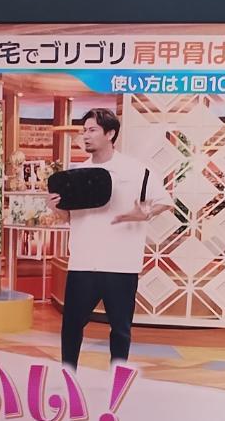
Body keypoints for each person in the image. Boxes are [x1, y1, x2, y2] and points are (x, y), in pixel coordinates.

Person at [48, 108, 173, 369]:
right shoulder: (76, 174)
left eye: (92, 130)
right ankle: (68, 374)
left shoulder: (137, 170)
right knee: (71, 326)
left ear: (110, 134)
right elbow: (69, 218)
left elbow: (164, 201)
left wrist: (145, 213)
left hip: (121, 264)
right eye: (84, 130)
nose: (85, 135)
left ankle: (118, 377)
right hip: (83, 263)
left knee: (120, 329)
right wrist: (55, 207)